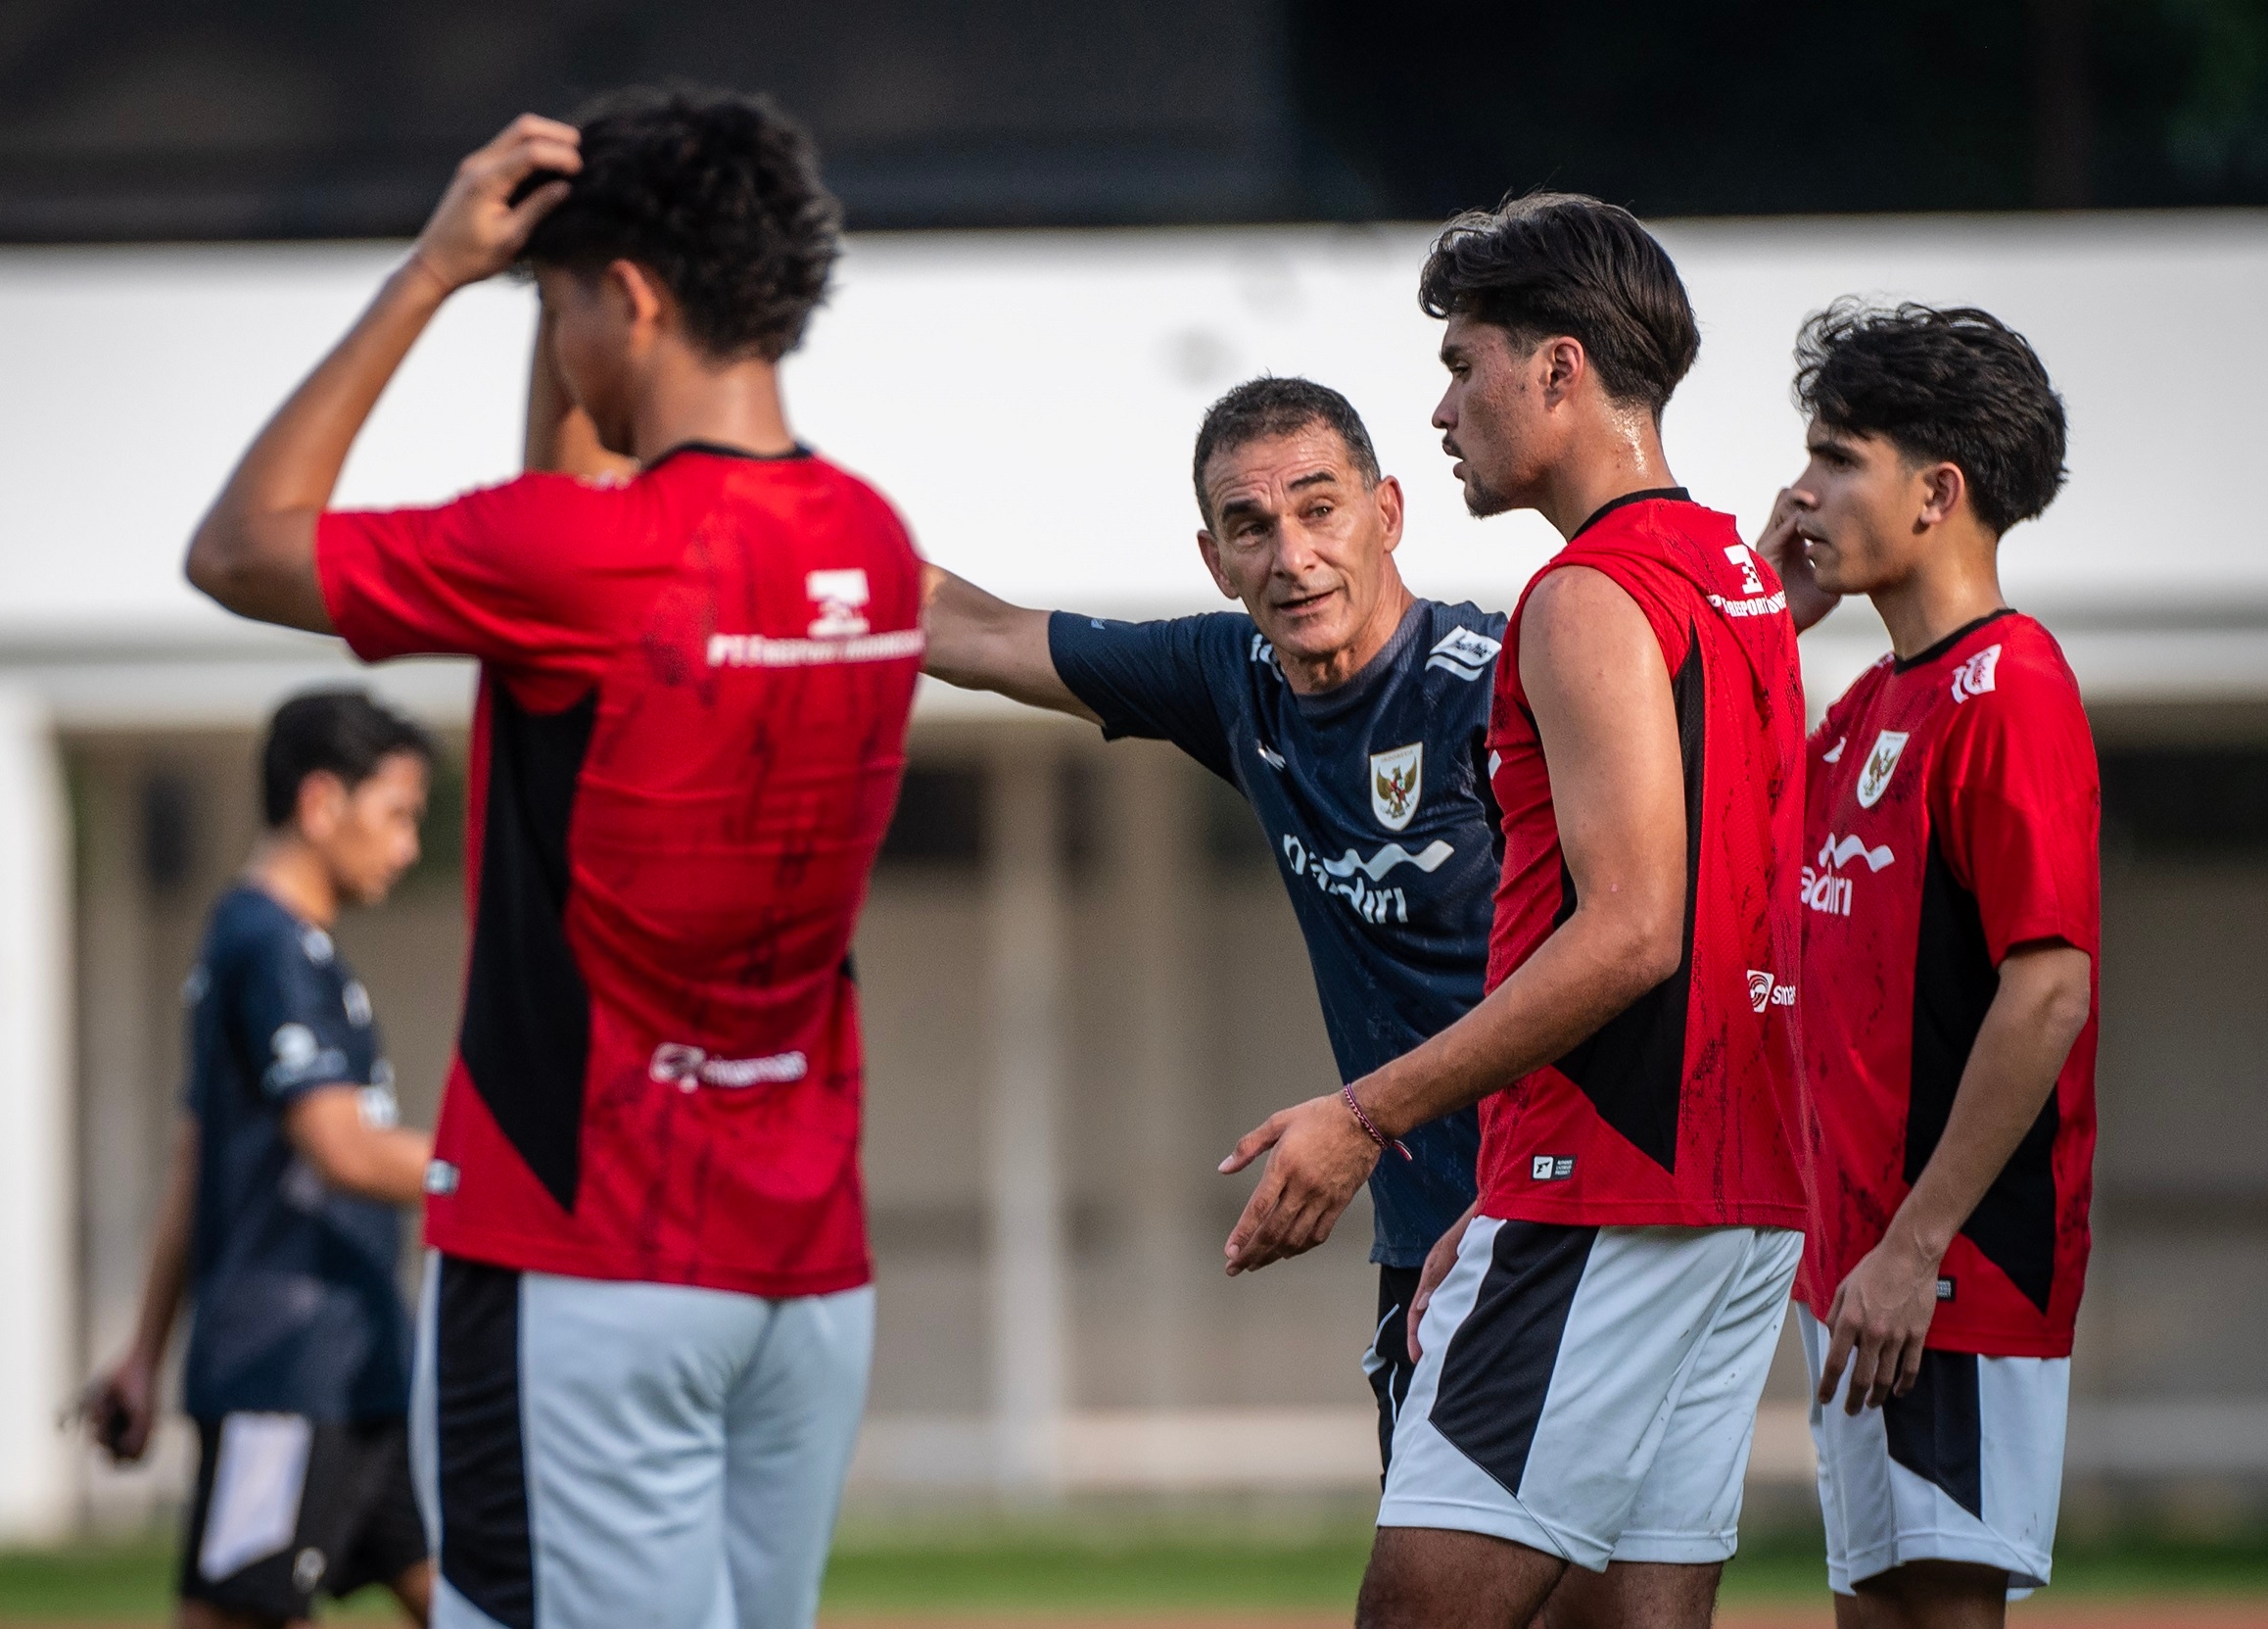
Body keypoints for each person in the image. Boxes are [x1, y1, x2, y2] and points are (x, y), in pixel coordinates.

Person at [179, 88, 922, 1629]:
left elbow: (240, 545)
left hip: (582, 1255)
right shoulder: (869, 538)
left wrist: (435, 271)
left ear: (631, 297)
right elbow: (582, 515)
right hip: (804, 1273)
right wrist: (549, 290)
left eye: (561, 301)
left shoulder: (577, 554)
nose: (560, 336)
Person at [1214, 195, 1808, 1629]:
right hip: (1740, 1189)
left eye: (1461, 364)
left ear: (1557, 369)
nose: (1440, 408)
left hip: (1606, 1186)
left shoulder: (1585, 593)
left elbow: (1633, 929)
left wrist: (1364, 1116)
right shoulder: (1733, 575)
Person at [921, 374, 1507, 1472]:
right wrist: (765, 522)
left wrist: (1372, 1120)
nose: (1292, 556)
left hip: (1562, 1214)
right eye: (1251, 527)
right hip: (1427, 1229)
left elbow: (1629, 945)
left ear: (1387, 512)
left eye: (1319, 509)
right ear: (1214, 559)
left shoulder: (1500, 684)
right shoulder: (1230, 675)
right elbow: (980, 632)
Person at [1756, 302, 2095, 1629]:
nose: (1801, 490)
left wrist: (1915, 1241)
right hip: (1861, 1272)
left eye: (1838, 457)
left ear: (1937, 493)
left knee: (1938, 1607)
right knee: (1878, 1609)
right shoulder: (1863, 706)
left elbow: (2048, 988)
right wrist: (1766, 626)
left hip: (1943, 1269)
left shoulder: (2010, 687)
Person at [82, 689, 438, 1629]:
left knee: (472, 1604)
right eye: (397, 815)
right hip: (289, 1374)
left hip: (346, 1363)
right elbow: (339, 1146)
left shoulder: (271, 944)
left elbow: (196, 1159)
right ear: (321, 802)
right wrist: (500, 1178)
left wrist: (143, 1353)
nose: (407, 846)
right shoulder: (269, 945)